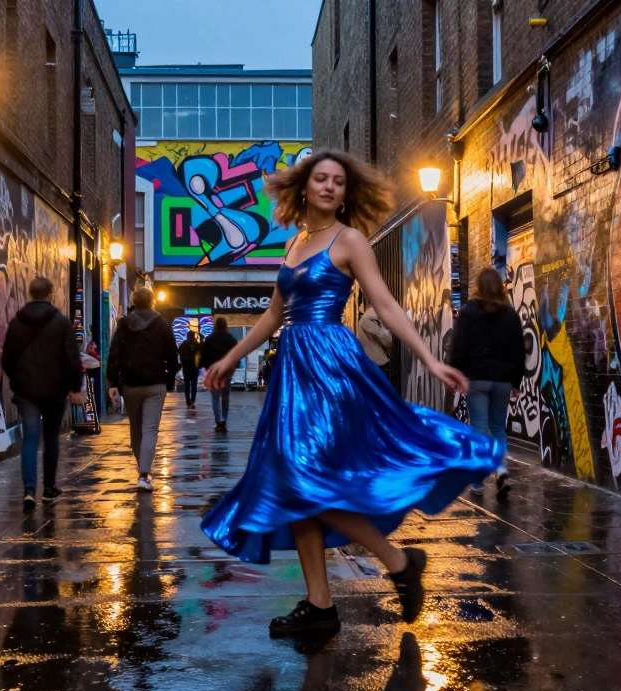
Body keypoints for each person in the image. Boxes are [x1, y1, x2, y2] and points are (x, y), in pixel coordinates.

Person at [201, 151, 501, 637]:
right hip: (293, 376)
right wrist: (232, 357)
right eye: (320, 178)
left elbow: (384, 302)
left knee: (306, 483)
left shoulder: (350, 240)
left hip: (329, 372)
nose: (329, 187)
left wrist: (429, 358)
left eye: (338, 182)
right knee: (290, 483)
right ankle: (322, 605)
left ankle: (397, 561)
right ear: (304, 187)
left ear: (346, 192)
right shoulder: (295, 243)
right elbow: (276, 314)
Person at [1, 277, 84, 512]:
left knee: (29, 438)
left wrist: (18, 380)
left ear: (30, 292)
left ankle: (28, 490)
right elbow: (72, 359)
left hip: (26, 391)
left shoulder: (17, 322)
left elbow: (7, 358)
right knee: (50, 439)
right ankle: (49, 489)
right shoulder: (60, 322)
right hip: (55, 392)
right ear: (51, 293)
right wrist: (74, 388)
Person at [448, 267, 528, 501]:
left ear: (478, 287)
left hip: (477, 379)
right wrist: (516, 380)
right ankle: (501, 470)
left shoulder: (468, 312)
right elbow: (519, 352)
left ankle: (478, 482)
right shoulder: (511, 315)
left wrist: (456, 374)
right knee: (498, 427)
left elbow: (459, 346)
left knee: (480, 428)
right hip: (503, 380)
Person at [107, 287, 179, 492]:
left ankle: (142, 470)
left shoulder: (124, 323)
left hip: (130, 384)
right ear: (152, 301)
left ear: (134, 302)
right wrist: (169, 378)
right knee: (150, 429)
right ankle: (144, 475)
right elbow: (172, 354)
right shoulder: (162, 324)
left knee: (135, 428)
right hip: (155, 383)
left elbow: (114, 354)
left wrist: (114, 381)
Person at [198, 317, 239, 432]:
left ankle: (218, 420)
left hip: (214, 370)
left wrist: (203, 367)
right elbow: (235, 353)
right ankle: (224, 419)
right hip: (226, 371)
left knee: (215, 397)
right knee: (225, 396)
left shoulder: (210, 339)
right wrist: (234, 366)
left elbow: (204, 354)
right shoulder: (231, 339)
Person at [357, 305, 393, 375]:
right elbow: (385, 339)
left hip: (372, 362)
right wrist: (390, 343)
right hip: (376, 362)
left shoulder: (367, 318)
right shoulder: (369, 318)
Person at [178, 331, 202, 408]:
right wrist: (200, 337)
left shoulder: (183, 345)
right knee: (194, 385)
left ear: (187, 336)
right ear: (193, 336)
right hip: (194, 367)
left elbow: (178, 353)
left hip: (186, 368)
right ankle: (193, 400)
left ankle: (188, 401)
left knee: (187, 385)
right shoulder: (196, 345)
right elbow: (202, 347)